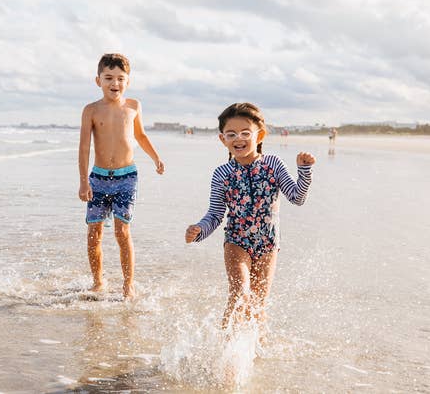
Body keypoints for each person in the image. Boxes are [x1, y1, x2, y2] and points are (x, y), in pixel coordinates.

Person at [185, 102, 315, 335]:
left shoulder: (273, 165)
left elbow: (297, 198)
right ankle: (225, 351)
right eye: (231, 134)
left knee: (257, 303)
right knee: (239, 293)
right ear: (222, 139)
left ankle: (254, 352)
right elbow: (215, 214)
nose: (239, 138)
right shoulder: (222, 174)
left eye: (246, 133)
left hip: (268, 245)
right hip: (236, 242)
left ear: (260, 135)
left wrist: (304, 172)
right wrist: (199, 231)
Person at [78, 53, 165, 300]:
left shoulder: (133, 106)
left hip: (127, 176)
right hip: (98, 177)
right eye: (108, 78)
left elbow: (141, 136)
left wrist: (156, 158)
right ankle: (98, 281)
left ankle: (128, 285)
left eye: (120, 78)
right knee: (94, 232)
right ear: (98, 81)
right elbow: (84, 147)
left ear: (128, 81)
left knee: (122, 231)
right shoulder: (91, 110)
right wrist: (84, 180)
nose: (114, 83)